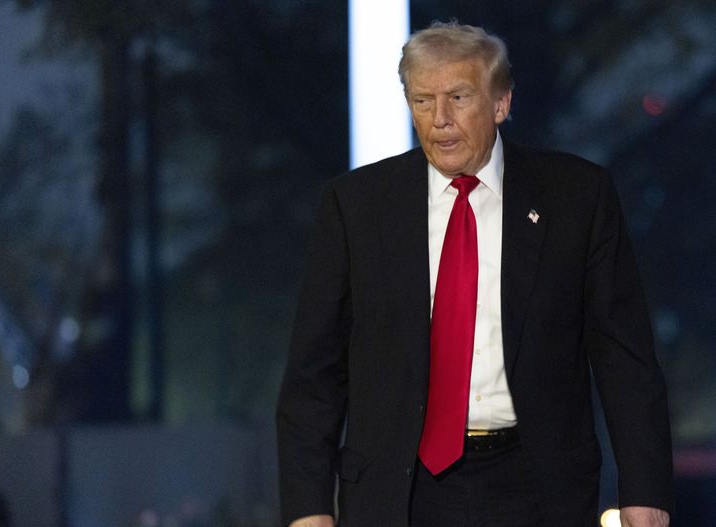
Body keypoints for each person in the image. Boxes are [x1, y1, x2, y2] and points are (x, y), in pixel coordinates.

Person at [276, 21, 673, 527]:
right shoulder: (356, 206)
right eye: (422, 101)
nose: (440, 119)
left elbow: (625, 358)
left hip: (537, 487)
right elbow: (315, 371)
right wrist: (308, 508)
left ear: (501, 103)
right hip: (398, 492)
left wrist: (645, 492)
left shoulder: (577, 197)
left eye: (458, 98)